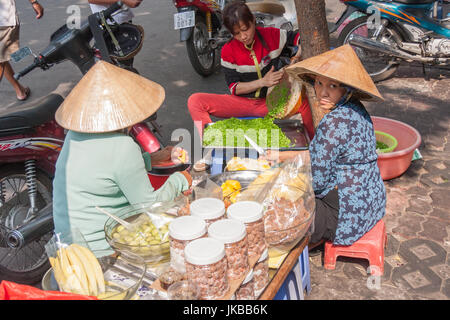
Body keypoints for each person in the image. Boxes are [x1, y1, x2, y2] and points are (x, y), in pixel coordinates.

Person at [52, 60, 192, 256]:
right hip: (102, 251)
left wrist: (153, 158)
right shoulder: (123, 146)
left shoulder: (74, 136)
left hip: (67, 247)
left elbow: (104, 171)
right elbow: (150, 205)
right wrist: (182, 179)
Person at [260, 44, 386, 249]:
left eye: (333, 86)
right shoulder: (357, 110)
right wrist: (281, 157)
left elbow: (318, 182)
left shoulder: (333, 123)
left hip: (347, 216)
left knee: (281, 216)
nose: (323, 92)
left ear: (347, 89)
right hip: (372, 202)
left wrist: (287, 182)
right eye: (319, 83)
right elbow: (321, 155)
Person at [187, 1, 314, 139]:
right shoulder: (228, 51)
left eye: (245, 28)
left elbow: (297, 37)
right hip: (242, 104)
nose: (243, 36)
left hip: (272, 102)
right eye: (236, 33)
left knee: (306, 103)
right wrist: (263, 82)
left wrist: (301, 46)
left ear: (253, 21)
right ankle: (213, 142)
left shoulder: (271, 35)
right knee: (195, 101)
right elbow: (234, 88)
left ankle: (316, 146)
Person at [0, 0, 44, 101]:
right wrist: (34, 2)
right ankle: (20, 91)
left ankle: (20, 90)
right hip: (4, 18)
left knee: (2, 57)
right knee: (1, 58)